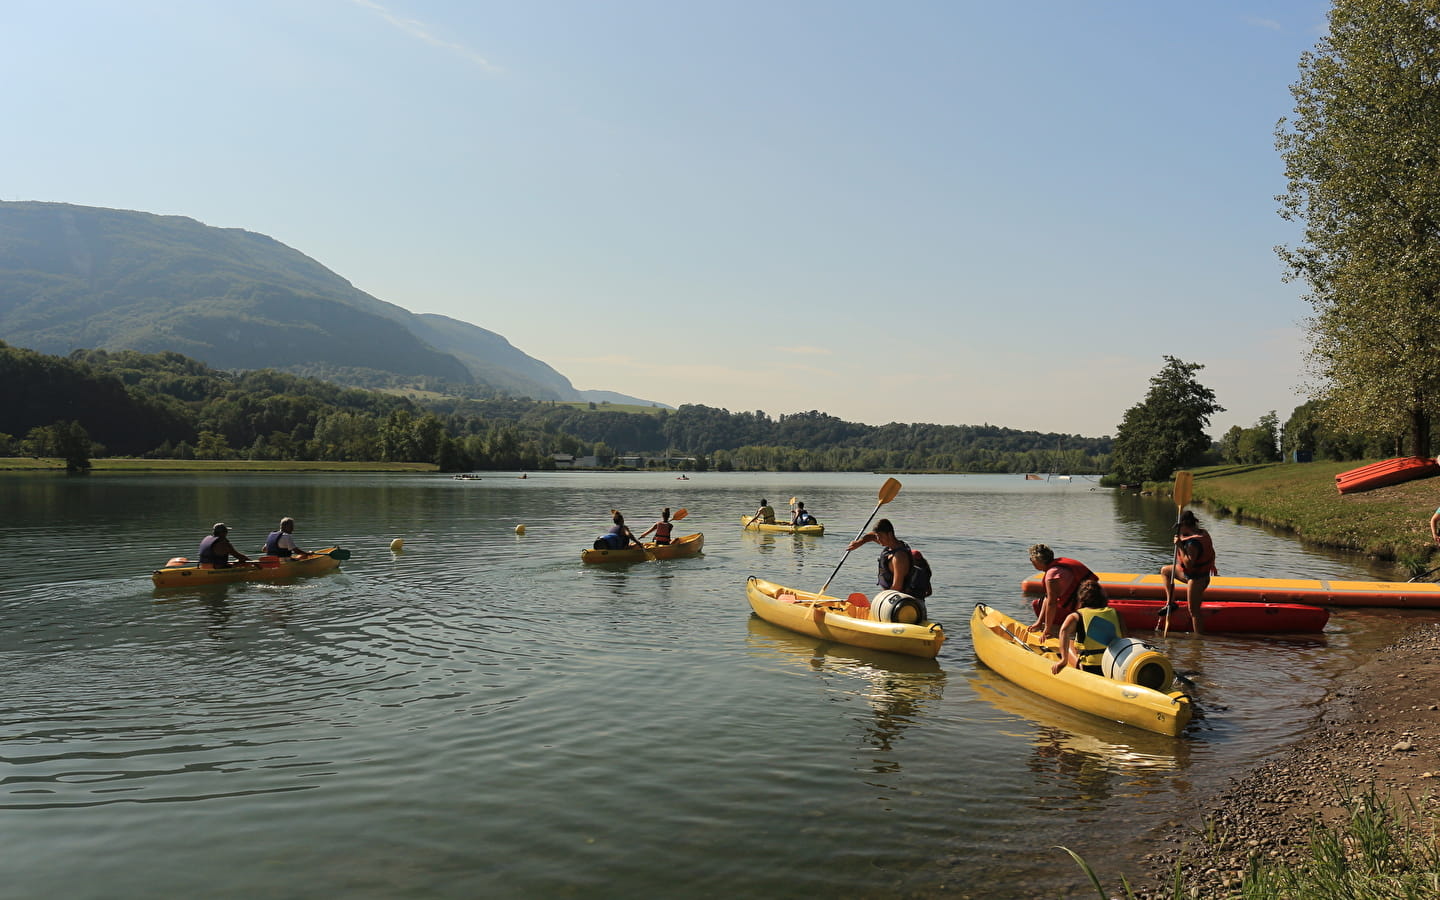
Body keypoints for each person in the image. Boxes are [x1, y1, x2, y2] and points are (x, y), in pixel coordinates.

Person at [1160, 510, 1218, 634]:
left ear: (1185, 525)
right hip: (1192, 575)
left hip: (1197, 579)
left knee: (1194, 611)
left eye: (1179, 527)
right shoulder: (1203, 533)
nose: (1179, 531)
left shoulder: (1193, 543)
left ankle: (1198, 640)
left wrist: (1180, 546)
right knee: (1165, 571)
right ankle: (1171, 603)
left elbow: (1189, 564)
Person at [1028, 543, 1098, 640]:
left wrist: (1047, 630)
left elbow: (1052, 603)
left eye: (1031, 559)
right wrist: (1040, 622)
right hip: (1091, 597)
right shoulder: (1055, 568)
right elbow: (1048, 598)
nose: (1031, 562)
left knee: (1071, 632)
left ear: (1037, 560)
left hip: (1088, 605)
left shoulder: (1051, 575)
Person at [1051, 581, 1123, 675]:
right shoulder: (1116, 613)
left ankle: (1071, 663)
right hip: (1114, 665)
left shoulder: (1076, 616)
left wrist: (1064, 660)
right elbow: (1124, 638)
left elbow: (1063, 632)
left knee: (1071, 642)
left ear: (1081, 598)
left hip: (1090, 668)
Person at [847, 518, 921, 597]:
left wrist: (881, 600)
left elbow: (897, 587)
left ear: (890, 534)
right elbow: (871, 536)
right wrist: (860, 542)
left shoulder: (899, 557)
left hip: (900, 601)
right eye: (877, 536)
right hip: (889, 596)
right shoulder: (890, 544)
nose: (878, 539)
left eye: (880, 536)